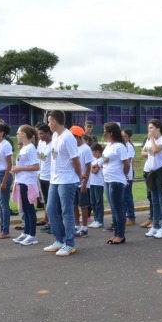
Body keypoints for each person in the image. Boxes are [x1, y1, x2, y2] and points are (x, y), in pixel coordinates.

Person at [43, 110, 83, 257]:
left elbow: (75, 160)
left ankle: (70, 244)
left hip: (67, 180)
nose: (48, 124)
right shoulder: (55, 136)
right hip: (55, 179)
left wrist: (79, 176)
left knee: (67, 212)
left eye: (49, 121)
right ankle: (60, 240)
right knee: (51, 209)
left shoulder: (68, 137)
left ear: (54, 121)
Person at [144, 119, 162, 239]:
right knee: (154, 200)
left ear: (158, 128)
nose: (149, 130)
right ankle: (155, 226)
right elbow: (144, 152)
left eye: (151, 128)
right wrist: (150, 141)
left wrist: (151, 139)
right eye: (148, 128)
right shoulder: (150, 141)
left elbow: (155, 150)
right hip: (152, 172)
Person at [11, 125, 41, 245]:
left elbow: (36, 166)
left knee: (29, 209)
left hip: (28, 182)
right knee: (25, 209)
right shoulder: (24, 148)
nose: (17, 135)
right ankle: (26, 232)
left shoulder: (30, 148)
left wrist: (19, 168)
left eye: (18, 133)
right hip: (21, 181)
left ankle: (32, 235)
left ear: (23, 134)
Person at [102, 122, 130, 244]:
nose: (104, 133)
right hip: (107, 180)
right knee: (113, 208)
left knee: (118, 208)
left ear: (111, 132)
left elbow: (127, 164)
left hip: (116, 181)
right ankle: (115, 233)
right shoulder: (109, 145)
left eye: (105, 131)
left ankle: (120, 234)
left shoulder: (119, 146)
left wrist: (123, 175)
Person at [70, 125, 93, 238]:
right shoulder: (73, 148)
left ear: (79, 137)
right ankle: (76, 225)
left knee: (83, 205)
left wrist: (84, 183)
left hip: (83, 182)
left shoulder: (86, 149)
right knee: (74, 205)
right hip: (73, 181)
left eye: (73, 137)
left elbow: (88, 167)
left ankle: (84, 227)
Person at [36, 123, 52, 229]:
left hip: (51, 176)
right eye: (39, 134)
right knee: (45, 199)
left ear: (48, 133)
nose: (40, 136)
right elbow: (39, 157)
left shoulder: (53, 144)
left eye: (42, 133)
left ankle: (52, 221)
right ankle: (46, 218)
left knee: (52, 200)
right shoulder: (41, 143)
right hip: (42, 175)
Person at [88, 143, 105, 228]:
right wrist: (92, 167)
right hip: (92, 182)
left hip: (99, 183)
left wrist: (91, 168)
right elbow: (93, 168)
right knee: (93, 202)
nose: (92, 153)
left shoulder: (101, 160)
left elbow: (95, 171)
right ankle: (95, 219)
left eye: (93, 152)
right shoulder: (94, 160)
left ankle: (100, 220)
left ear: (97, 151)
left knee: (98, 202)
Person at [139, 135, 154, 229]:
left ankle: (155, 219)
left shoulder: (161, 140)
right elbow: (142, 153)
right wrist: (149, 152)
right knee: (150, 196)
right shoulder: (148, 141)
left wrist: (148, 152)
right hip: (147, 170)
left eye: (151, 128)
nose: (149, 131)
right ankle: (151, 218)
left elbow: (154, 152)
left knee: (154, 196)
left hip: (154, 171)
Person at [122, 128, 136, 226]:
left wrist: (127, 174)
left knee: (127, 196)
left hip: (127, 174)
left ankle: (131, 216)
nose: (123, 137)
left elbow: (129, 161)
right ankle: (126, 215)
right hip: (122, 174)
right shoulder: (123, 146)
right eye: (122, 135)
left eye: (125, 136)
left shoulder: (129, 146)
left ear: (129, 137)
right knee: (123, 197)